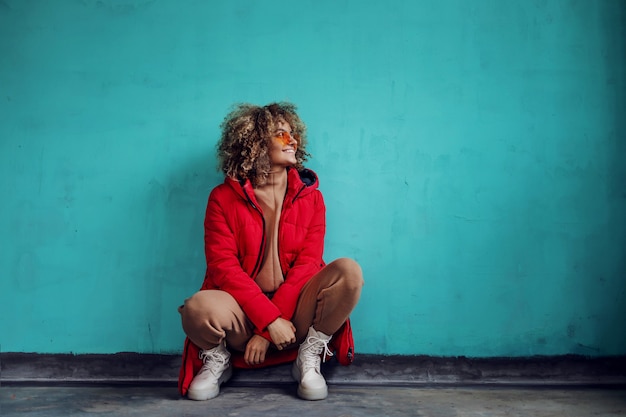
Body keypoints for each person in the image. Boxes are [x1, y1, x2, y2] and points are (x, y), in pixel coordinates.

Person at [177, 102, 364, 401]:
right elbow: (223, 268)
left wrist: (269, 330)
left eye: (293, 134)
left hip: (295, 317)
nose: (292, 140)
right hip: (240, 314)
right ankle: (217, 360)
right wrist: (267, 320)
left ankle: (309, 355)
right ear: (254, 143)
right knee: (196, 308)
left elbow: (307, 265)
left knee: (349, 273)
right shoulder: (222, 198)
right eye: (281, 134)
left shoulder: (312, 199)